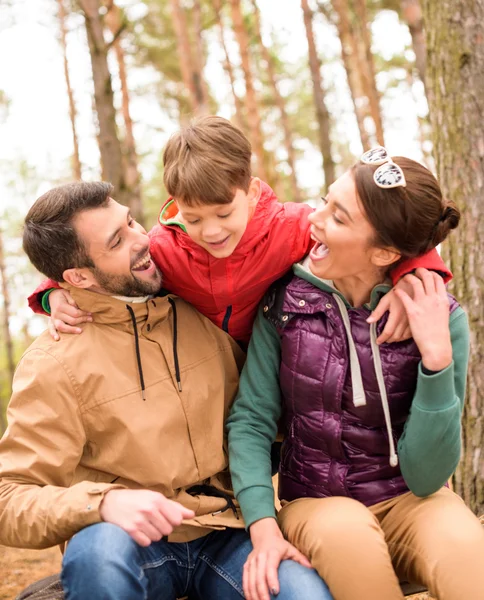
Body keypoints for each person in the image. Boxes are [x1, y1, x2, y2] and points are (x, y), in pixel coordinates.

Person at [0, 182, 332, 600]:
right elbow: (8, 496)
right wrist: (100, 504)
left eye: (132, 221)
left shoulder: (204, 305)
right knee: (97, 553)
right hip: (128, 539)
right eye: (118, 241)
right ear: (78, 277)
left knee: (304, 595)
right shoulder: (53, 362)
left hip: (227, 533)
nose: (144, 240)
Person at [226, 148, 484, 600]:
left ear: (385, 251)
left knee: (468, 555)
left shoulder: (441, 318)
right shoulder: (284, 305)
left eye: (338, 217)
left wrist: (437, 359)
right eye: (325, 201)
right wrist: (263, 527)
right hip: (316, 503)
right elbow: (251, 421)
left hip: (412, 500)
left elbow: (426, 477)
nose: (315, 219)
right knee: (350, 539)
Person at [27, 116, 451, 347]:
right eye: (192, 218)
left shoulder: (291, 226)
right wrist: (51, 293)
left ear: (249, 192)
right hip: (207, 377)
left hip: (280, 368)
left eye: (224, 213)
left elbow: (377, 236)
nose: (210, 232)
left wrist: (414, 272)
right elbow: (96, 263)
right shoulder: (164, 249)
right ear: (175, 204)